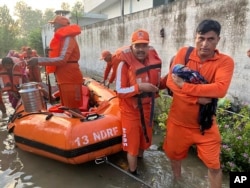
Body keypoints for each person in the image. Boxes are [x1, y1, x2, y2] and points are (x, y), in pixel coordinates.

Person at [163, 19, 234, 188]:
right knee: (174, 157)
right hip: (178, 123)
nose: (205, 44)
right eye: (201, 38)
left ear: (218, 40)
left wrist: (185, 86)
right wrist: (196, 98)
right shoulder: (184, 54)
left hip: (206, 125)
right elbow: (171, 83)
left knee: (214, 165)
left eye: (210, 39)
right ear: (195, 37)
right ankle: (178, 182)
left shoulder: (225, 61)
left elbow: (220, 89)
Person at [115, 29, 164, 175]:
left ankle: (140, 162)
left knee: (145, 140)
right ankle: (133, 172)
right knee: (132, 146)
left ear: (148, 47)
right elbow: (119, 91)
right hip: (130, 111)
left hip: (148, 109)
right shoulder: (123, 65)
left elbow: (157, 83)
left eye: (144, 45)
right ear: (132, 47)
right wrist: (139, 87)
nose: (141, 49)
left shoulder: (152, 63)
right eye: (137, 46)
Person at [27, 15, 83, 115]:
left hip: (70, 77)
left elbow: (62, 60)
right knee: (68, 107)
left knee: (73, 107)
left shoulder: (68, 39)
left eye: (54, 26)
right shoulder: (63, 39)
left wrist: (38, 60)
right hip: (64, 77)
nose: (53, 29)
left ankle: (83, 127)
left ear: (60, 25)